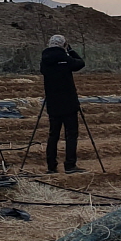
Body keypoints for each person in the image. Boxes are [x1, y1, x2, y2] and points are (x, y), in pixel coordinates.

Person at [40, 35, 87, 174]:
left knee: (53, 135)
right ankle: (70, 165)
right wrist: (70, 51)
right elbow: (80, 63)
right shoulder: (65, 58)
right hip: (69, 102)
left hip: (52, 103)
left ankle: (51, 166)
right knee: (71, 134)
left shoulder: (44, 60)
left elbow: (43, 71)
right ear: (64, 45)